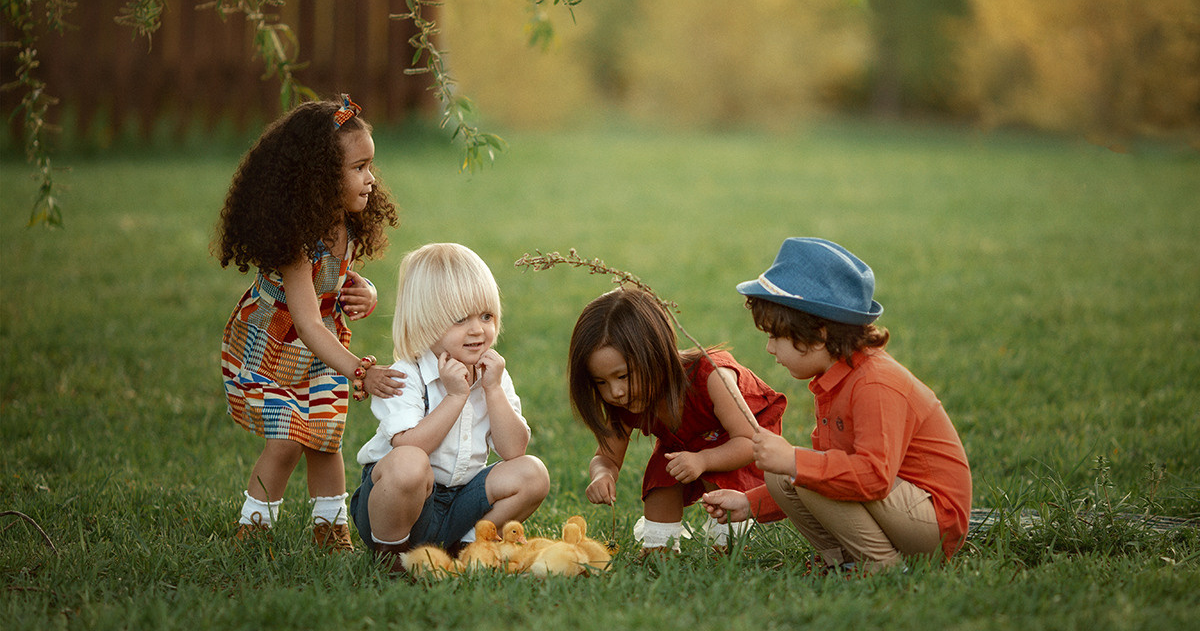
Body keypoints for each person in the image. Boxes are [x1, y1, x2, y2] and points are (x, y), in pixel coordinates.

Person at [702, 237, 972, 572]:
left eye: (775, 336)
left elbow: (873, 478)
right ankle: (842, 561)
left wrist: (797, 462)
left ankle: (880, 566)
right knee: (788, 472)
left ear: (819, 334)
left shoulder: (875, 382)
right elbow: (830, 472)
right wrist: (747, 503)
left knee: (807, 469)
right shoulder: (834, 380)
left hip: (934, 524)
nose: (770, 349)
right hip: (901, 512)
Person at [216, 96, 403, 551]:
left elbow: (333, 284)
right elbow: (305, 319)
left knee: (324, 439)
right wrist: (359, 370)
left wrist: (368, 292)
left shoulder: (348, 225)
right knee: (286, 442)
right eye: (359, 168)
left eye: (370, 165)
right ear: (319, 179)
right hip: (271, 352)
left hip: (319, 354)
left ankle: (331, 529)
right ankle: (254, 530)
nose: (371, 179)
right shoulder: (295, 239)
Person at [351, 243, 550, 573]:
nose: (477, 329)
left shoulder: (493, 375)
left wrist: (493, 390)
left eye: (486, 316)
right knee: (409, 461)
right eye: (460, 319)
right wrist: (455, 398)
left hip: (460, 502)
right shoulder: (405, 374)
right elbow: (408, 447)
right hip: (397, 508)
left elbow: (514, 449)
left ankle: (469, 547)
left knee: (532, 472)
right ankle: (394, 557)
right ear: (425, 322)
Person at [567, 288, 787, 555]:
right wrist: (602, 474)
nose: (615, 392)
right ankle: (660, 546)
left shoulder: (711, 376)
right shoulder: (624, 402)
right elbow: (607, 458)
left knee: (716, 476)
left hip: (739, 440)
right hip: (685, 444)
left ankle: (729, 540)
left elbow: (749, 442)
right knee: (662, 477)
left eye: (623, 376)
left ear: (655, 354)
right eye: (601, 382)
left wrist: (703, 461)